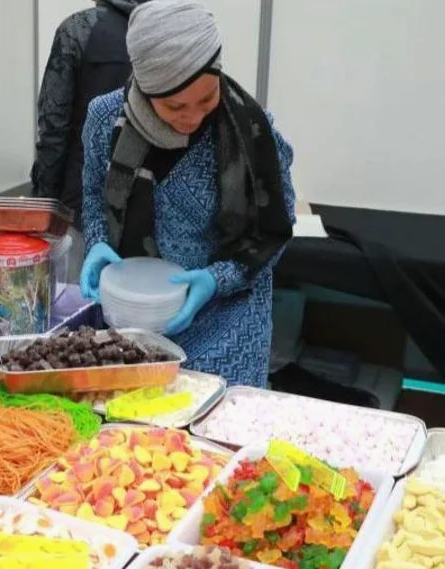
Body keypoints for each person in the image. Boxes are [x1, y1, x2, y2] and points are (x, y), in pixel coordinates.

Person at [77, 0, 296, 387]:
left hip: (230, 328)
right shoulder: (105, 120)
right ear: (145, 88)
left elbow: (274, 230)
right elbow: (94, 193)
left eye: (207, 98)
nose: (193, 116)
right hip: (135, 324)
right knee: (135, 439)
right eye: (174, 105)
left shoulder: (251, 135)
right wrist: (96, 240)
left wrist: (217, 279)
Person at [32, 0, 150, 282]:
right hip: (151, 216)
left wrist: (42, 208)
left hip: (82, 208)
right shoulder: (169, 33)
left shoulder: (78, 30)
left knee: (77, 310)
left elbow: (53, 127)